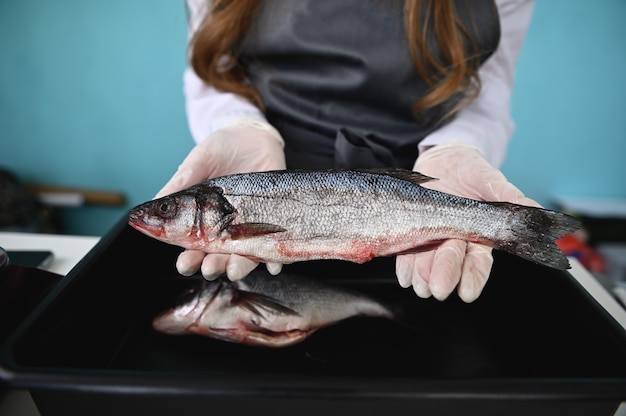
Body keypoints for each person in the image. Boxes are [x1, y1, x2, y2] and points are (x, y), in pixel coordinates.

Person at [157, 0, 537, 303]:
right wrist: (239, 124)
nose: (164, 215)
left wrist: (457, 145)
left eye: (168, 210)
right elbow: (212, 66)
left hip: (428, 175)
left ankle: (507, 226)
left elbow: (487, 85)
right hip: (268, 163)